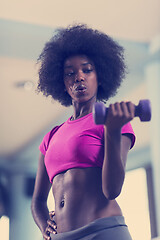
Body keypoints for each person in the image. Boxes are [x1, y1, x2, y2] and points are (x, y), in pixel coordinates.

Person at [31, 24, 136, 240]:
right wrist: (44, 226)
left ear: (100, 76)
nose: (79, 77)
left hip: (103, 231)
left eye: (87, 70)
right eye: (70, 73)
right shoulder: (51, 136)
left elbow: (112, 190)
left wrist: (112, 131)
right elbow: (38, 201)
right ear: (62, 83)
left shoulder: (113, 121)